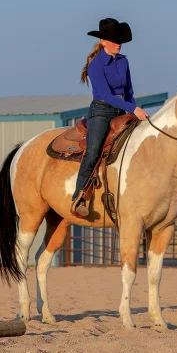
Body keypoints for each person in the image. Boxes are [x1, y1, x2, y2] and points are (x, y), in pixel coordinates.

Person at [71, 18, 149, 217]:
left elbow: (129, 90)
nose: (118, 43)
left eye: (119, 40)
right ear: (103, 42)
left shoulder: (124, 61)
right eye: (113, 40)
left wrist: (133, 111)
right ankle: (78, 197)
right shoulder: (95, 65)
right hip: (101, 111)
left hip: (122, 111)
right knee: (94, 151)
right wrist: (133, 108)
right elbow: (106, 96)